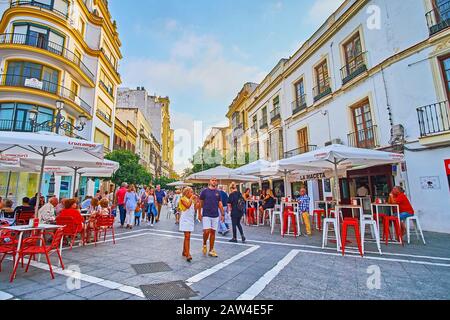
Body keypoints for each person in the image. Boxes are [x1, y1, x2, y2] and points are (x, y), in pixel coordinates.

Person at [199, 178, 224, 258]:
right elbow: (200, 203)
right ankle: (204, 243)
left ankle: (211, 250)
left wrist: (223, 214)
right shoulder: (204, 191)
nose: (214, 181)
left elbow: (220, 203)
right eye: (213, 180)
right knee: (207, 231)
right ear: (209, 181)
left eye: (216, 180)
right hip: (206, 214)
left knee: (213, 232)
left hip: (215, 215)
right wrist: (199, 213)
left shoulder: (218, 192)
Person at [179, 187, 198, 262]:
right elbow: (187, 206)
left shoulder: (191, 199)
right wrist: (191, 199)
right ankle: (188, 254)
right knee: (187, 236)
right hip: (185, 220)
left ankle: (184, 251)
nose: (192, 193)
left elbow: (195, 208)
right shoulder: (182, 199)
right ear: (186, 193)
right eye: (191, 192)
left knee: (187, 236)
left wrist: (197, 202)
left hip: (190, 220)